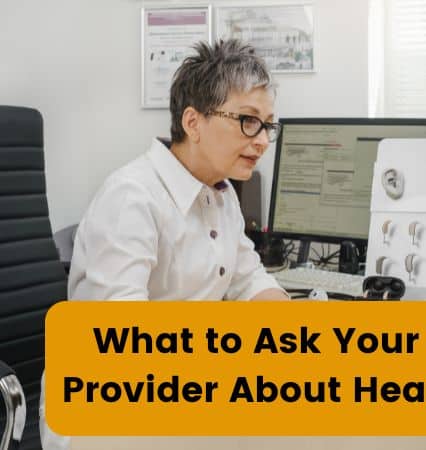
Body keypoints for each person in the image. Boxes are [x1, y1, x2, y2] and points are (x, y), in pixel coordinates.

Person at [40, 39, 288, 449]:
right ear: (193, 123)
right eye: (248, 121)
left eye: (267, 125)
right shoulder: (131, 198)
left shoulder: (220, 195)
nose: (262, 140)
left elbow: (251, 283)